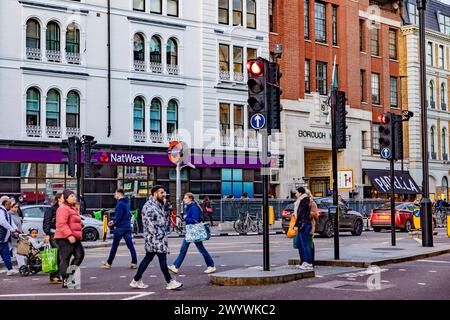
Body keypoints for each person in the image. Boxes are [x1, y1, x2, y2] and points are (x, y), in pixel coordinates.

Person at [130, 185, 182, 290]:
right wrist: (159, 236)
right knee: (162, 260)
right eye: (161, 192)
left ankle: (136, 280)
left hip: (156, 238)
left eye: (164, 192)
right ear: (155, 194)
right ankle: (169, 282)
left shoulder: (157, 205)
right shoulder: (149, 206)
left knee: (148, 258)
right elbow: (150, 224)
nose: (164, 194)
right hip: (155, 239)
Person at [168, 192, 216, 275]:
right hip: (191, 232)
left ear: (190, 198)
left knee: (197, 249)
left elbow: (195, 220)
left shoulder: (193, 207)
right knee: (187, 249)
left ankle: (211, 266)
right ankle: (175, 266)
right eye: (184, 198)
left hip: (193, 231)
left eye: (186, 198)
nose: (184, 199)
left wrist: (186, 218)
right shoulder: (189, 207)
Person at [55, 189, 85, 288]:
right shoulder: (63, 208)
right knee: (65, 258)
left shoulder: (72, 208)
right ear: (66, 198)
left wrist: (80, 223)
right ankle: (65, 280)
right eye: (72, 196)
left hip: (74, 237)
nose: (74, 197)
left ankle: (70, 275)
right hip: (64, 237)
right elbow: (61, 223)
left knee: (79, 255)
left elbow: (72, 221)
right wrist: (69, 235)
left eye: (74, 196)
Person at [101, 189, 137, 269]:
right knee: (130, 246)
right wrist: (114, 221)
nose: (114, 195)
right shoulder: (126, 203)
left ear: (118, 194)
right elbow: (124, 215)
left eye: (115, 193)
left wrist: (113, 223)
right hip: (127, 227)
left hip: (120, 228)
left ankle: (109, 263)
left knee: (114, 246)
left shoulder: (120, 204)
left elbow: (119, 216)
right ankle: (134, 262)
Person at [43, 193, 64, 284]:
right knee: (57, 254)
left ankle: (59, 275)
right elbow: (46, 221)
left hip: (64, 235)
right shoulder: (51, 209)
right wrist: (47, 234)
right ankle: (54, 276)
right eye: (64, 197)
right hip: (53, 234)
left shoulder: (66, 208)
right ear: (59, 198)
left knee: (63, 255)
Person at [293, 187, 313, 270]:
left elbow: (301, 214)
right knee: (298, 243)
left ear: (300, 193)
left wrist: (296, 225)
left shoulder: (303, 201)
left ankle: (308, 262)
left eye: (296, 192)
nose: (295, 194)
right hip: (304, 223)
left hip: (304, 224)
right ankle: (303, 261)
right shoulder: (303, 200)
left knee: (304, 244)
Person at [0, 197, 19, 275]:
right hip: (1, 237)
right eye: (9, 204)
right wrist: (12, 229)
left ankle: (10, 269)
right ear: (6, 203)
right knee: (5, 254)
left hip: (3, 237)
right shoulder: (1, 211)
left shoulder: (5, 211)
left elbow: (10, 222)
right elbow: (2, 222)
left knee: (6, 254)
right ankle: (10, 269)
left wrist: (15, 229)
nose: (10, 205)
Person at [9, 202, 26, 269]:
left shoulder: (16, 214)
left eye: (17, 207)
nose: (17, 209)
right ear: (11, 207)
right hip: (13, 236)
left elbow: (19, 226)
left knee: (19, 252)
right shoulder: (9, 215)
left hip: (18, 235)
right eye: (15, 207)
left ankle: (22, 266)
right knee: (17, 252)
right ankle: (21, 266)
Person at [305, 189, 318, 266]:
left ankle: (311, 261)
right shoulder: (302, 202)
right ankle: (305, 260)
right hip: (304, 224)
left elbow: (315, 214)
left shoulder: (312, 203)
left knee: (310, 243)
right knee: (305, 244)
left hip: (310, 224)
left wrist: (307, 212)